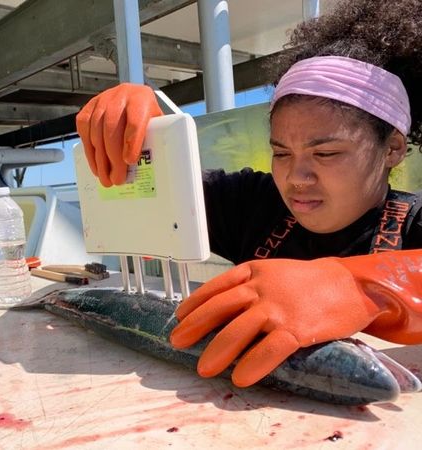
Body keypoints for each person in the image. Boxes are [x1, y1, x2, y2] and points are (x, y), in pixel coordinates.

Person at [75, 0, 422, 388]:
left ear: (391, 148)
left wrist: (359, 285)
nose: (297, 177)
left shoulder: (413, 221)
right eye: (281, 153)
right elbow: (163, 192)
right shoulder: (252, 202)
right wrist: (141, 138)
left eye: (325, 153)